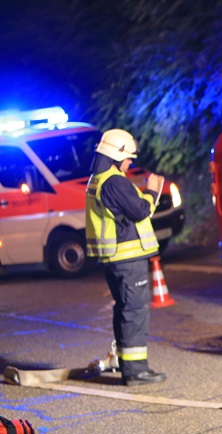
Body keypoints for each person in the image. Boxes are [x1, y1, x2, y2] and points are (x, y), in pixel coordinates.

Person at [85, 129, 167, 387]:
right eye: (128, 157)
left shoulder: (99, 180)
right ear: (116, 155)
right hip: (127, 260)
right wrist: (153, 191)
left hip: (114, 259)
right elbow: (140, 211)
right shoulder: (114, 182)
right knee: (134, 311)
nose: (130, 162)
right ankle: (135, 371)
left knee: (125, 309)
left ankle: (126, 363)